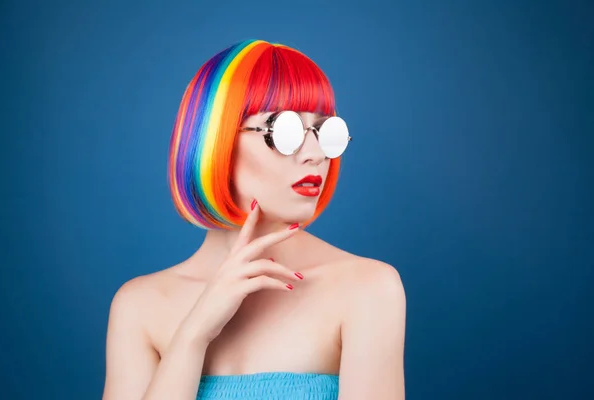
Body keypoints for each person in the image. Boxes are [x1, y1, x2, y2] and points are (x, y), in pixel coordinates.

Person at [102, 39, 406, 400]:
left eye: (325, 132)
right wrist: (194, 334)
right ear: (217, 140)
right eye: (285, 131)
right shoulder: (139, 306)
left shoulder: (368, 289)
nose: (314, 155)